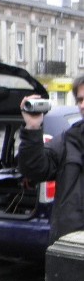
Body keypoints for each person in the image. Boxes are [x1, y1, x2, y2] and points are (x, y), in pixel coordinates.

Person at [19, 80, 84, 242]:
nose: (82, 105)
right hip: (70, 244)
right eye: (80, 100)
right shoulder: (68, 141)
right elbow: (34, 168)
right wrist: (33, 127)